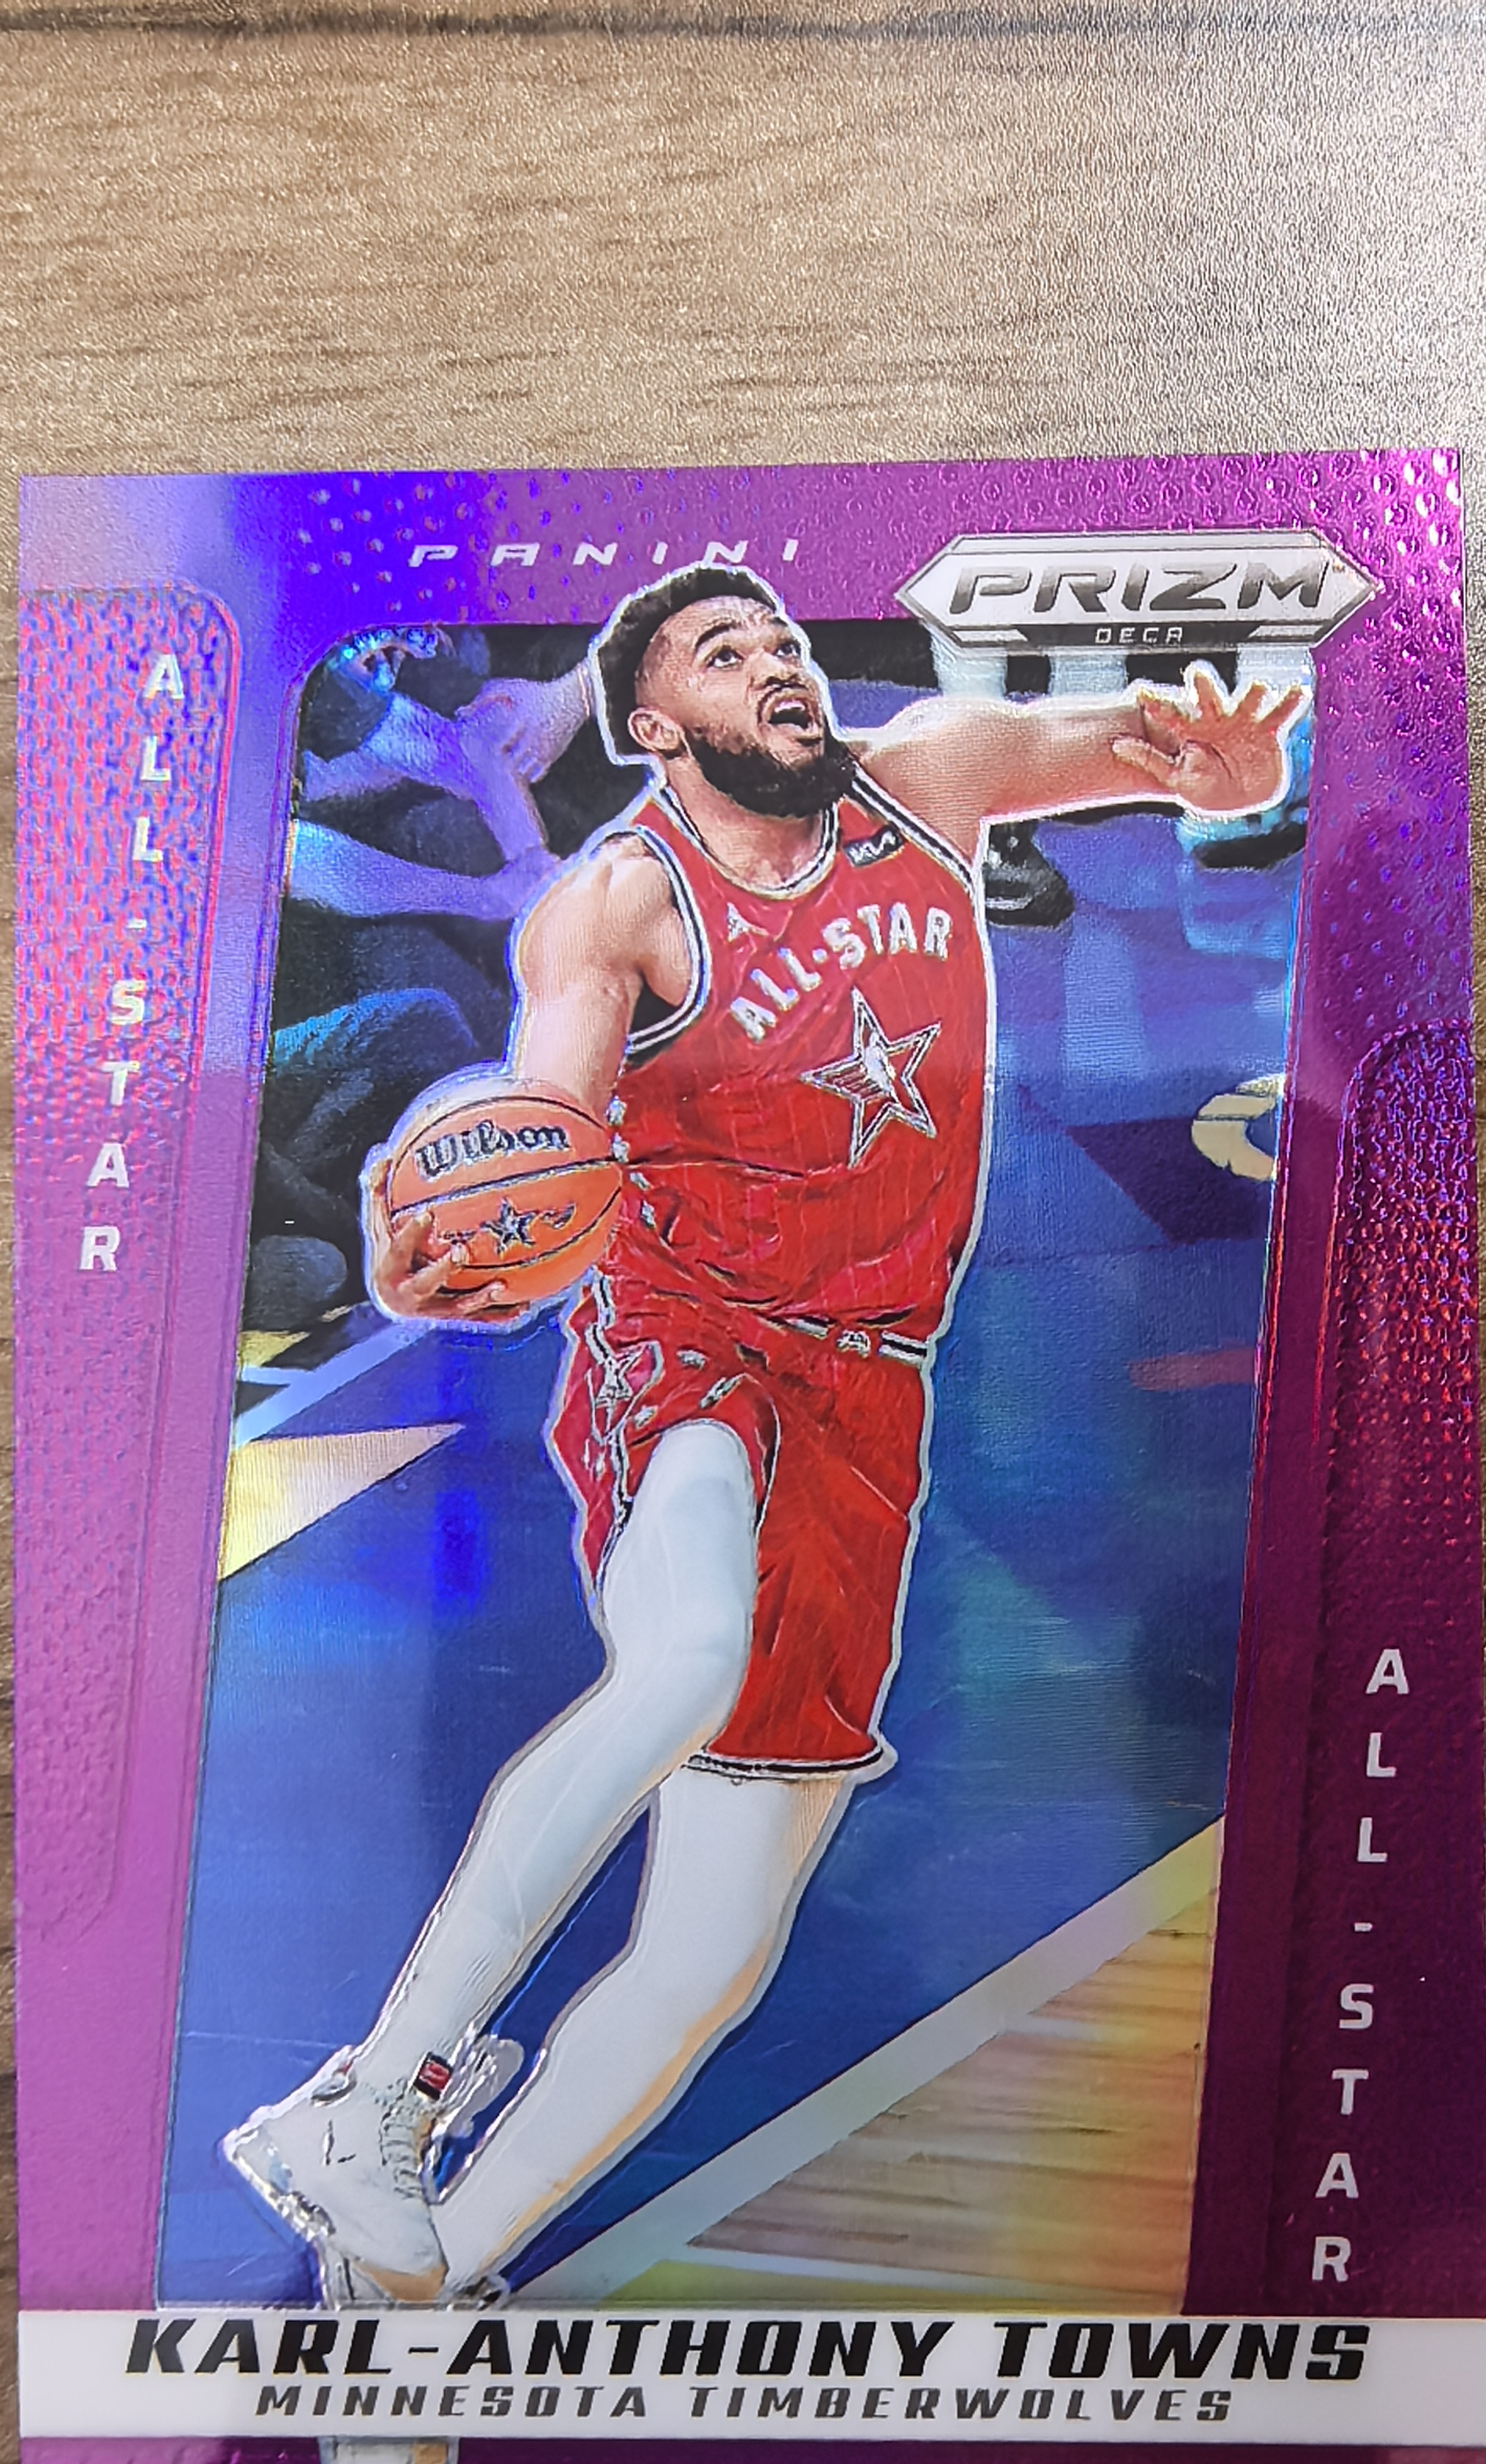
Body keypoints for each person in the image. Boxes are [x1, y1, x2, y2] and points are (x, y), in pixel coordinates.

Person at [225, 563, 1300, 2327]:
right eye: (728, 656)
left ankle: (432, 2277)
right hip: (690, 1340)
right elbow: (549, 1116)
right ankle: (374, 2095)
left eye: (786, 643)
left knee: (716, 1950)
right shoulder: (619, 903)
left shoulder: (929, 775)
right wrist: (464, 1245)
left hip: (873, 1389)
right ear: (655, 725)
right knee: (684, 1658)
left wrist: (1215, 765)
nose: (781, 666)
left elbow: (1114, 739)